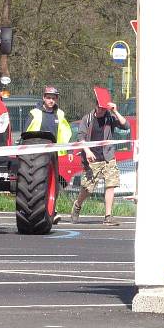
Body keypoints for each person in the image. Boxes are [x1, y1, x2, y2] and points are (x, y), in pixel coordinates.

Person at [70, 96, 130, 226]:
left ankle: (108, 216)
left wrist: (115, 111)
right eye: (100, 108)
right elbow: (80, 137)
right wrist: (87, 151)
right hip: (92, 158)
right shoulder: (88, 118)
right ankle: (77, 205)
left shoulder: (110, 117)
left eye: (104, 108)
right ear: (96, 106)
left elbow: (126, 126)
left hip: (108, 157)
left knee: (111, 184)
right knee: (88, 188)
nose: (102, 110)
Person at [23, 86, 72, 224]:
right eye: (48, 97)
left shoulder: (60, 114)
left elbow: (65, 132)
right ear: (44, 98)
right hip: (36, 153)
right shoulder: (35, 113)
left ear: (56, 99)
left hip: (53, 154)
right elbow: (26, 131)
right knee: (38, 183)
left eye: (53, 98)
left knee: (53, 183)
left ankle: (52, 211)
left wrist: (66, 149)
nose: (51, 100)